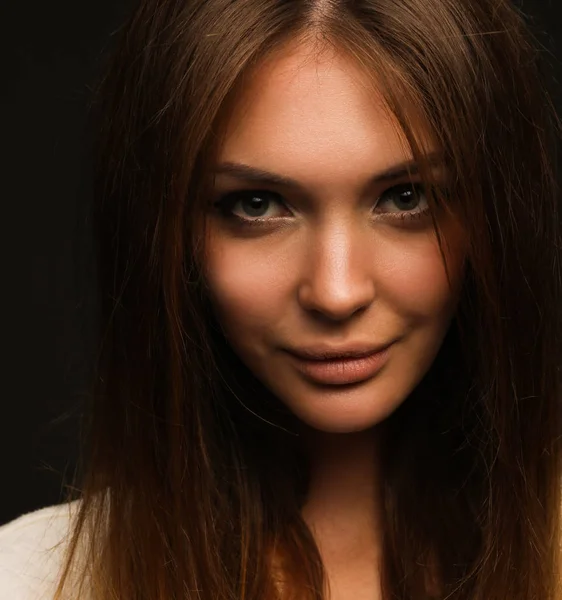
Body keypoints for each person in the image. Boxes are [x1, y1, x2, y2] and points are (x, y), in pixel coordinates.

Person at [2, 0, 562, 598]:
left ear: (500, 217)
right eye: (257, 205)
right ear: (161, 234)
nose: (337, 291)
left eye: (405, 197)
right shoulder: (30, 579)